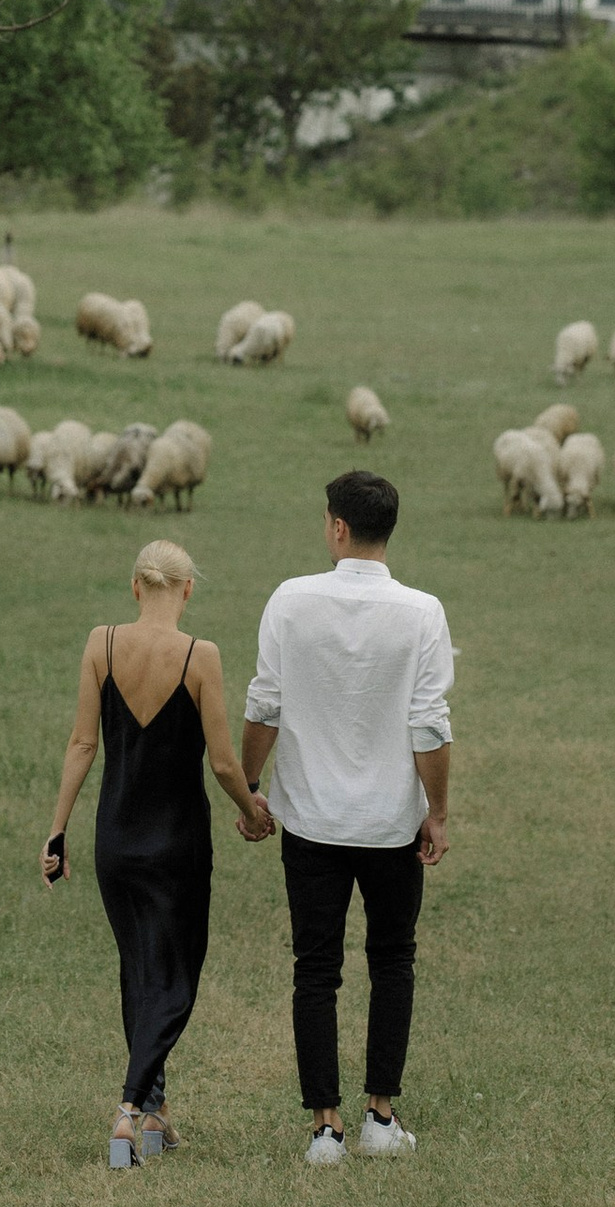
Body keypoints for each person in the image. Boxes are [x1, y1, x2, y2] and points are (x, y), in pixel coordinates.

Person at [240, 468, 453, 1164]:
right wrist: (439, 811)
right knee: (393, 960)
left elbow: (264, 704)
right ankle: (381, 1115)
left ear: (337, 527)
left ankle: (325, 1127)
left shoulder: (290, 600)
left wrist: (248, 786)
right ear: (387, 529)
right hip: (392, 818)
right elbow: (429, 725)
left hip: (309, 817)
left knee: (316, 967)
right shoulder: (422, 611)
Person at [44, 538, 275, 1168]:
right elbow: (225, 761)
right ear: (189, 589)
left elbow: (81, 744)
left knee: (139, 970)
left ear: (135, 586)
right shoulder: (201, 656)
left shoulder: (102, 643)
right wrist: (252, 809)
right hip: (178, 842)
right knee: (175, 976)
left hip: (115, 838)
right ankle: (126, 1111)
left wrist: (58, 831)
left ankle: (155, 1113)